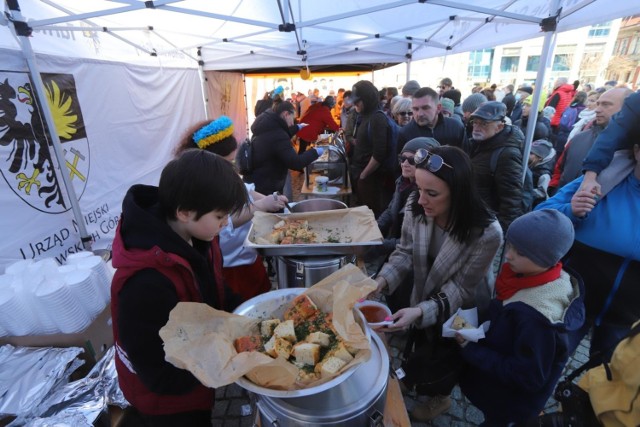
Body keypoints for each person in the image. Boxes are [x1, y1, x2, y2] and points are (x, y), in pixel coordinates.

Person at [111, 149, 247, 425]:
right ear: (184, 212)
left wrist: (249, 315)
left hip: (197, 378)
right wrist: (222, 360)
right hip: (167, 403)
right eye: (220, 216)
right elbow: (157, 373)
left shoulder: (198, 238)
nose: (225, 224)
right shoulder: (144, 283)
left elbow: (212, 291)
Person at [372, 146, 502, 422]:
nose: (421, 200)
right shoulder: (416, 204)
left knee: (449, 351)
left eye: (432, 193)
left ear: (459, 193)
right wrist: (380, 281)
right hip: (425, 281)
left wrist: (419, 311)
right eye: (419, 188)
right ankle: (413, 376)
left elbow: (461, 288)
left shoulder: (487, 232)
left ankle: (440, 397)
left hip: (466, 302)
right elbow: (405, 252)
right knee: (421, 339)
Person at [458, 209, 585, 426]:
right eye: (510, 245)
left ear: (547, 257)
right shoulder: (535, 275)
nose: (508, 255)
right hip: (501, 385)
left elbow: (526, 375)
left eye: (521, 252)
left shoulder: (536, 319)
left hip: (509, 401)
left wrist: (470, 349)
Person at [536, 142, 640, 362]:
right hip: (570, 303)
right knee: (544, 366)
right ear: (637, 151)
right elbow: (540, 215)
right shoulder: (603, 179)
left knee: (605, 389)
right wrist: (571, 211)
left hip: (627, 321)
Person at [175, 116, 287, 301]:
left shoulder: (226, 175)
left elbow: (246, 190)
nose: (232, 167)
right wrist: (260, 206)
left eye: (233, 161)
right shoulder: (202, 185)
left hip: (248, 256)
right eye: (227, 162)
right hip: (229, 265)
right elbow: (225, 221)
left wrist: (268, 198)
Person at [367, 137, 440, 312]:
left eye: (412, 159)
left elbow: (415, 243)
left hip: (416, 261)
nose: (405, 164)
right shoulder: (402, 181)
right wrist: (371, 230)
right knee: (390, 291)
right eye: (402, 158)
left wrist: (379, 245)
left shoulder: (427, 196)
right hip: (397, 247)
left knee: (404, 297)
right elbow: (390, 210)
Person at [550, 87, 632, 193]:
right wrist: (553, 190)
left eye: (606, 104)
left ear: (627, 108)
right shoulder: (578, 138)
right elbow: (559, 169)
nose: (597, 109)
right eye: (598, 104)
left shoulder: (631, 148)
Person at [468, 101, 526, 233]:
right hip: (472, 217)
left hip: (487, 226)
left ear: (499, 127)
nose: (477, 127)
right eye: (475, 122)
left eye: (484, 123)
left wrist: (501, 235)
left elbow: (511, 200)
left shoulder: (507, 154)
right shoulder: (475, 144)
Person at [249, 101, 321, 196]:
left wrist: (298, 127)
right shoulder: (277, 134)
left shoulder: (267, 124)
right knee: (272, 209)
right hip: (268, 186)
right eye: (292, 118)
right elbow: (296, 163)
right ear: (286, 114)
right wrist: (316, 151)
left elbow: (280, 135)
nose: (292, 123)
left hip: (258, 179)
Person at [579, 91, 640, 197]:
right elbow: (611, 135)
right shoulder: (636, 101)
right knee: (589, 194)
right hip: (625, 165)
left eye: (606, 104)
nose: (597, 110)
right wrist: (590, 177)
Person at [350, 80, 395, 217]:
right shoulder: (366, 116)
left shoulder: (377, 118)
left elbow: (379, 153)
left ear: (367, 99)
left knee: (372, 214)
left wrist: (364, 175)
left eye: (357, 101)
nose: (354, 104)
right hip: (363, 174)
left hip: (372, 178)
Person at [397, 87, 467, 155]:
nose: (420, 114)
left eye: (425, 108)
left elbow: (466, 159)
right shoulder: (405, 133)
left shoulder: (455, 128)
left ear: (438, 108)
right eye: (415, 109)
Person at [528, 139, 555, 207]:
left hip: (535, 205)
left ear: (540, 157)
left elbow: (542, 192)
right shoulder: (532, 165)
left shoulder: (544, 174)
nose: (528, 155)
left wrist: (527, 192)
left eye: (531, 153)